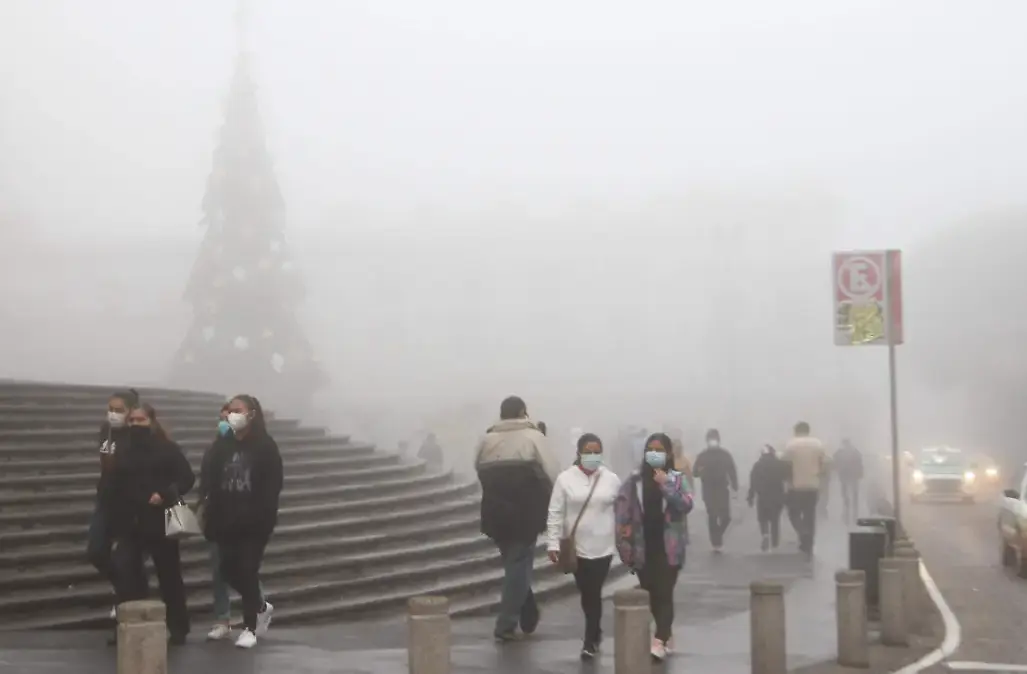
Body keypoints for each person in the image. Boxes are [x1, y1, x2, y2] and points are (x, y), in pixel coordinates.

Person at [108, 403, 195, 644]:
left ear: (152, 422)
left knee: (169, 576)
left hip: (160, 520)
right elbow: (114, 484)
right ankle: (127, 625)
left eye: (141, 420)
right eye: (132, 420)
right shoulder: (123, 451)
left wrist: (165, 494)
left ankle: (178, 628)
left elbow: (187, 478)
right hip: (130, 521)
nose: (135, 425)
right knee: (126, 575)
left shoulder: (167, 449)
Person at [475, 395, 559, 642]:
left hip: (495, 512)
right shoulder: (534, 438)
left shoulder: (486, 439)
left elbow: (477, 468)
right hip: (526, 511)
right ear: (523, 412)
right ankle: (506, 624)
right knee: (518, 564)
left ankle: (528, 609)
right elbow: (552, 472)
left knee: (515, 563)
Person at [202, 394, 283, 649]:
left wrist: (262, 518)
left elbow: (272, 487)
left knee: (247, 569)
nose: (231, 415)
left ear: (252, 414)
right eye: (229, 410)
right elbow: (210, 479)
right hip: (225, 519)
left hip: (254, 523)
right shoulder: (222, 445)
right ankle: (260, 605)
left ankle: (249, 627)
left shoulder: (265, 446)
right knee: (227, 570)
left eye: (238, 410)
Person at [614, 432, 694, 662]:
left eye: (660, 450)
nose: (655, 454)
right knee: (650, 593)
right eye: (651, 449)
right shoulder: (635, 480)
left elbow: (686, 503)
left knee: (665, 592)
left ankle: (659, 639)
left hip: (669, 547)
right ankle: (666, 633)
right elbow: (622, 507)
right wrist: (622, 532)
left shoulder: (676, 478)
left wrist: (667, 485)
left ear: (668, 453)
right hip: (642, 546)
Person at [546, 432, 621, 660]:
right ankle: (595, 629)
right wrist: (552, 542)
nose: (592, 456)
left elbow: (624, 509)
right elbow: (555, 511)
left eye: (596, 452)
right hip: (576, 549)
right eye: (588, 452)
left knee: (593, 591)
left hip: (604, 547)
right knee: (587, 592)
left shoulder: (611, 479)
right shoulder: (565, 479)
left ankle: (590, 640)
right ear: (578, 453)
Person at [88, 388, 140, 622]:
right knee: (96, 551)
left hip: (130, 504)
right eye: (110, 409)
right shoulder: (105, 430)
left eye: (119, 410)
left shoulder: (137, 435)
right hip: (106, 499)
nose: (113, 414)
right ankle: (125, 590)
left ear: (130, 412)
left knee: (125, 558)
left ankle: (125, 598)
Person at [781, 421, 827, 557]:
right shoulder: (818, 444)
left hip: (795, 486)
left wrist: (786, 481)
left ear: (796, 431)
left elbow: (785, 464)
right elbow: (824, 463)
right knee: (810, 514)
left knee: (793, 513)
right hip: (812, 485)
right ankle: (809, 542)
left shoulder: (791, 445)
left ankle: (802, 533)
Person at [692, 429, 738, 553]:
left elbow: (732, 470)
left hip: (722, 488)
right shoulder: (702, 456)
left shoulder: (725, 454)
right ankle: (715, 542)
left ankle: (717, 535)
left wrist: (735, 485)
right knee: (712, 515)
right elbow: (695, 472)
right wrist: (701, 470)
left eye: (714, 439)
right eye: (711, 439)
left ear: (718, 440)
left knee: (726, 517)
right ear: (707, 441)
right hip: (708, 489)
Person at [747, 445, 789, 551]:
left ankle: (765, 535)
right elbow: (788, 477)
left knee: (763, 518)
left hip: (762, 496)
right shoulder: (780, 464)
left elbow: (753, 482)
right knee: (775, 520)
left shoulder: (757, 465)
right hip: (778, 496)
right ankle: (775, 543)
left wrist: (750, 496)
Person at [834, 439, 864, 523]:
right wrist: (860, 474)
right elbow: (860, 463)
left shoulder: (840, 453)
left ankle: (846, 510)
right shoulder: (855, 452)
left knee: (845, 494)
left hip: (844, 475)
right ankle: (854, 512)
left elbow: (835, 462)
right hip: (854, 476)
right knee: (854, 494)